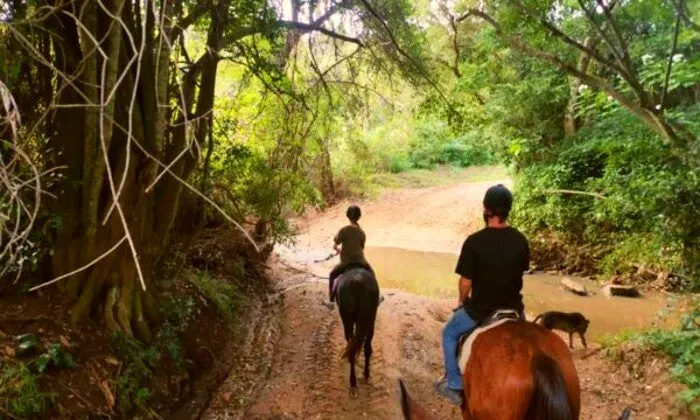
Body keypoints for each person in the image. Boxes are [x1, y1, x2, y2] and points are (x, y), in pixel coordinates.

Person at [434, 184, 530, 406]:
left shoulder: (474, 241)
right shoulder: (520, 240)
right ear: (508, 210)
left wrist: (461, 302)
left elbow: (466, 282)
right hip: (514, 309)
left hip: (481, 310)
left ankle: (455, 385)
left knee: (449, 333)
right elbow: (520, 270)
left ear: (486, 210)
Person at [328, 205, 374, 303]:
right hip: (361, 261)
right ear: (359, 216)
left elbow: (335, 246)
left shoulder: (343, 230)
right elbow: (361, 248)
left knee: (332, 275)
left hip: (346, 262)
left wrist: (340, 251)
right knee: (372, 274)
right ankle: (377, 297)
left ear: (348, 216)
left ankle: (331, 300)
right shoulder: (362, 232)